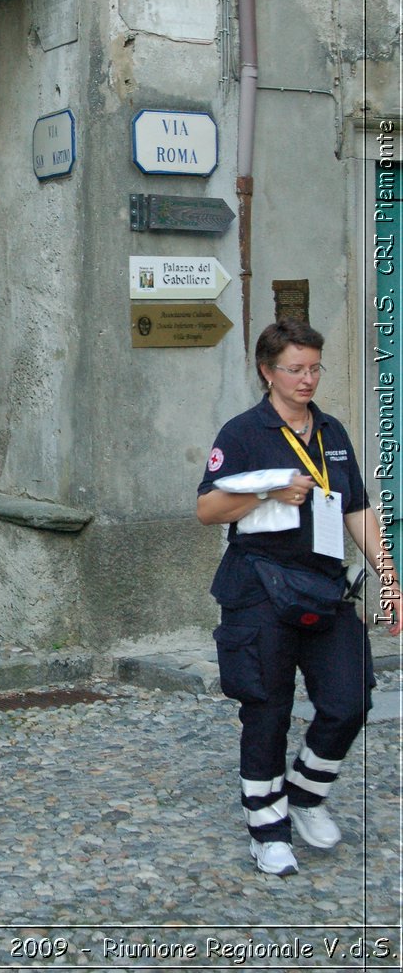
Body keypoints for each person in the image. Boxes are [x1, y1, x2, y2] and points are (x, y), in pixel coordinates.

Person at [197, 318, 401, 877]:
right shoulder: (242, 433)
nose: (307, 379)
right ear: (268, 372)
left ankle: (306, 796)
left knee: (351, 697)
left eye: (314, 368)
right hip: (259, 585)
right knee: (267, 708)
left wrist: (390, 576)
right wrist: (268, 488)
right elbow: (207, 510)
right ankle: (266, 828)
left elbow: (356, 507)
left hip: (323, 585)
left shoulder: (332, 432)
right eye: (296, 369)